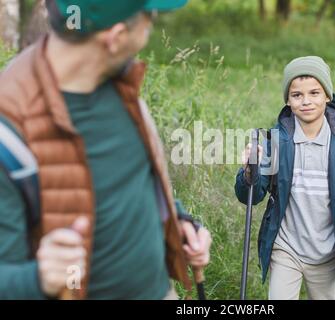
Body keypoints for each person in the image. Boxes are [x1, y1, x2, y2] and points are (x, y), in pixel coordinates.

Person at [0, 0, 211, 300]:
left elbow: (129, 175)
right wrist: (39, 280)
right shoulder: (9, 131)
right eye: (149, 16)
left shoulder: (119, 80)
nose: (151, 27)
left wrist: (178, 219)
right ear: (116, 37)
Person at [235, 56, 335, 300]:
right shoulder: (273, 142)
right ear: (288, 100)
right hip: (286, 248)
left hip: (328, 254)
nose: (306, 101)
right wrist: (249, 171)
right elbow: (251, 196)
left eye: (314, 93)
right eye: (297, 95)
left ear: (327, 96)